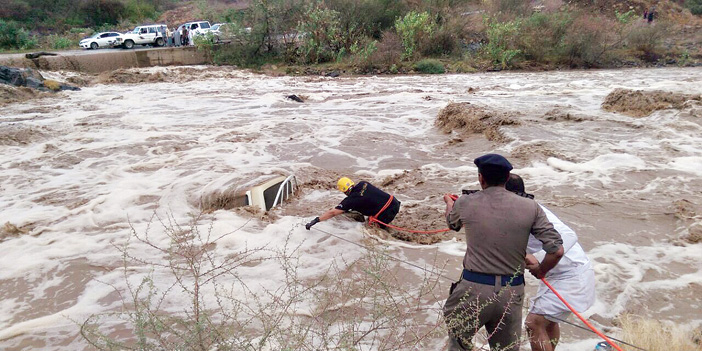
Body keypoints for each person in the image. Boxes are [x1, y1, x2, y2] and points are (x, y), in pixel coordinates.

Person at [442, 154, 564, 351]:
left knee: (459, 345)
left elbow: (452, 223)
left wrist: (449, 203)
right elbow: (557, 250)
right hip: (511, 292)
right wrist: (541, 270)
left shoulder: (465, 202)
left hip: (473, 289)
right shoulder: (531, 207)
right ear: (507, 178)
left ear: (481, 178)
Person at [505, 174, 596, 351]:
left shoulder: (534, 212)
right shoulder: (512, 210)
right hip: (558, 274)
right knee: (548, 322)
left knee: (533, 323)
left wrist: (542, 268)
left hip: (572, 276)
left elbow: (569, 236)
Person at [305, 177, 401, 230]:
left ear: (344, 191)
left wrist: (316, 220)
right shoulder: (363, 183)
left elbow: (333, 213)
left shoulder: (350, 201)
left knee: (371, 233)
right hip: (394, 202)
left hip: (384, 214)